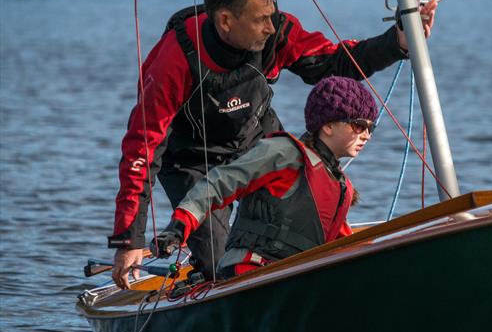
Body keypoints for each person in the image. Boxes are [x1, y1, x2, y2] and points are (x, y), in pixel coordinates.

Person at [110, 0, 436, 289]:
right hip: (192, 159)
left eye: (271, 15)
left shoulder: (278, 31)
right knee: (218, 262)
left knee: (306, 230)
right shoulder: (174, 59)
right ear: (225, 21)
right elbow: (142, 149)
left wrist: (399, 42)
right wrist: (129, 239)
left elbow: (334, 62)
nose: (269, 26)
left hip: (257, 139)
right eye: (259, 20)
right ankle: (202, 278)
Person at [148, 76, 377, 280]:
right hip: (251, 273)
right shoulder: (284, 153)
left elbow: (344, 246)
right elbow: (219, 183)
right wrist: (178, 228)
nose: (366, 135)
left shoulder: (342, 187)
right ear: (327, 126)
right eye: (359, 125)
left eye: (371, 128)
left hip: (295, 277)